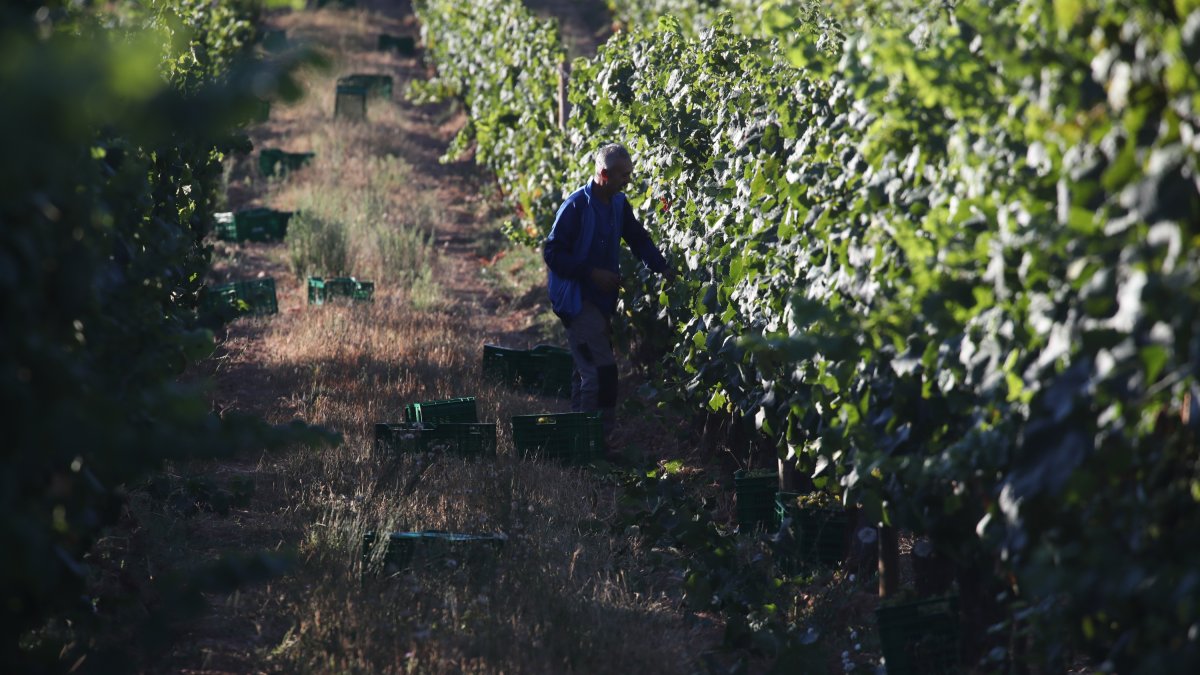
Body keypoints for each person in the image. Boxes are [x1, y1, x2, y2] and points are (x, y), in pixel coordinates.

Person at [542, 143, 672, 450]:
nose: (628, 180)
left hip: (601, 302)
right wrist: (591, 273)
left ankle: (580, 441)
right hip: (577, 300)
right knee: (602, 372)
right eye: (623, 175)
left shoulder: (618, 204)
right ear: (603, 174)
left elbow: (637, 238)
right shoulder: (576, 207)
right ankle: (596, 442)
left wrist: (662, 267)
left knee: (585, 370)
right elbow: (552, 252)